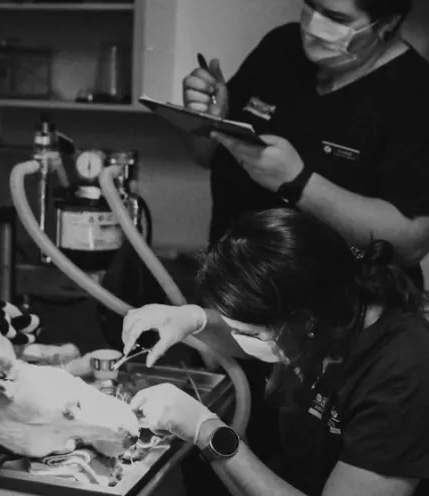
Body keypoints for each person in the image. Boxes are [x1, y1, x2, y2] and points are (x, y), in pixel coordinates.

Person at [124, 208, 429, 496]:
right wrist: (193, 319)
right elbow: (260, 335)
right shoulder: (325, 320)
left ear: (304, 321)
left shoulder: (404, 374)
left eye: (251, 333)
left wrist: (208, 431)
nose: (240, 338)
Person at [182, 0, 429, 291]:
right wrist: (206, 122)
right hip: (236, 289)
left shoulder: (415, 91)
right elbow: (206, 156)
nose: (313, 26)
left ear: (386, 24)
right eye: (312, 5)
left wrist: (297, 182)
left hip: (341, 311)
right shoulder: (280, 47)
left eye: (335, 17)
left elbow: (410, 244)